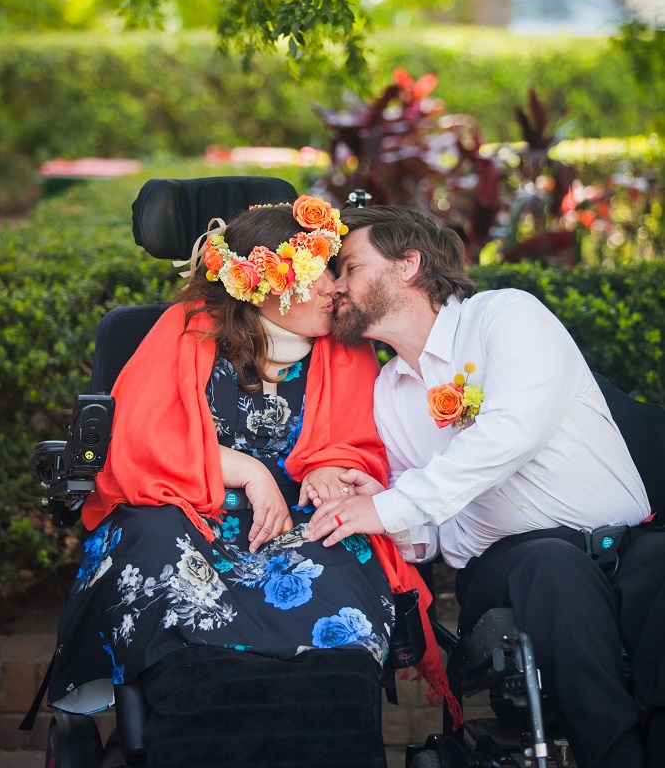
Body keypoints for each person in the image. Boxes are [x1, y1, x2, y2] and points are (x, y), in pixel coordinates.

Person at [48, 196, 451, 768]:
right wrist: (246, 469)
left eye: (340, 272)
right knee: (159, 552)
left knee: (343, 543)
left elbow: (361, 442)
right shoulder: (186, 331)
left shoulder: (346, 347)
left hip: (298, 520)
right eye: (321, 276)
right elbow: (135, 444)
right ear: (264, 284)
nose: (337, 288)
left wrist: (334, 467)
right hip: (183, 514)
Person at [306, 204, 665, 768]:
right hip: (510, 567)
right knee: (551, 566)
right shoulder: (388, 393)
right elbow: (427, 531)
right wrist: (382, 512)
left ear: (408, 264)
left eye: (349, 266)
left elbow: (511, 432)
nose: (336, 286)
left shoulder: (506, 316)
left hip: (631, 543)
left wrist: (397, 505)